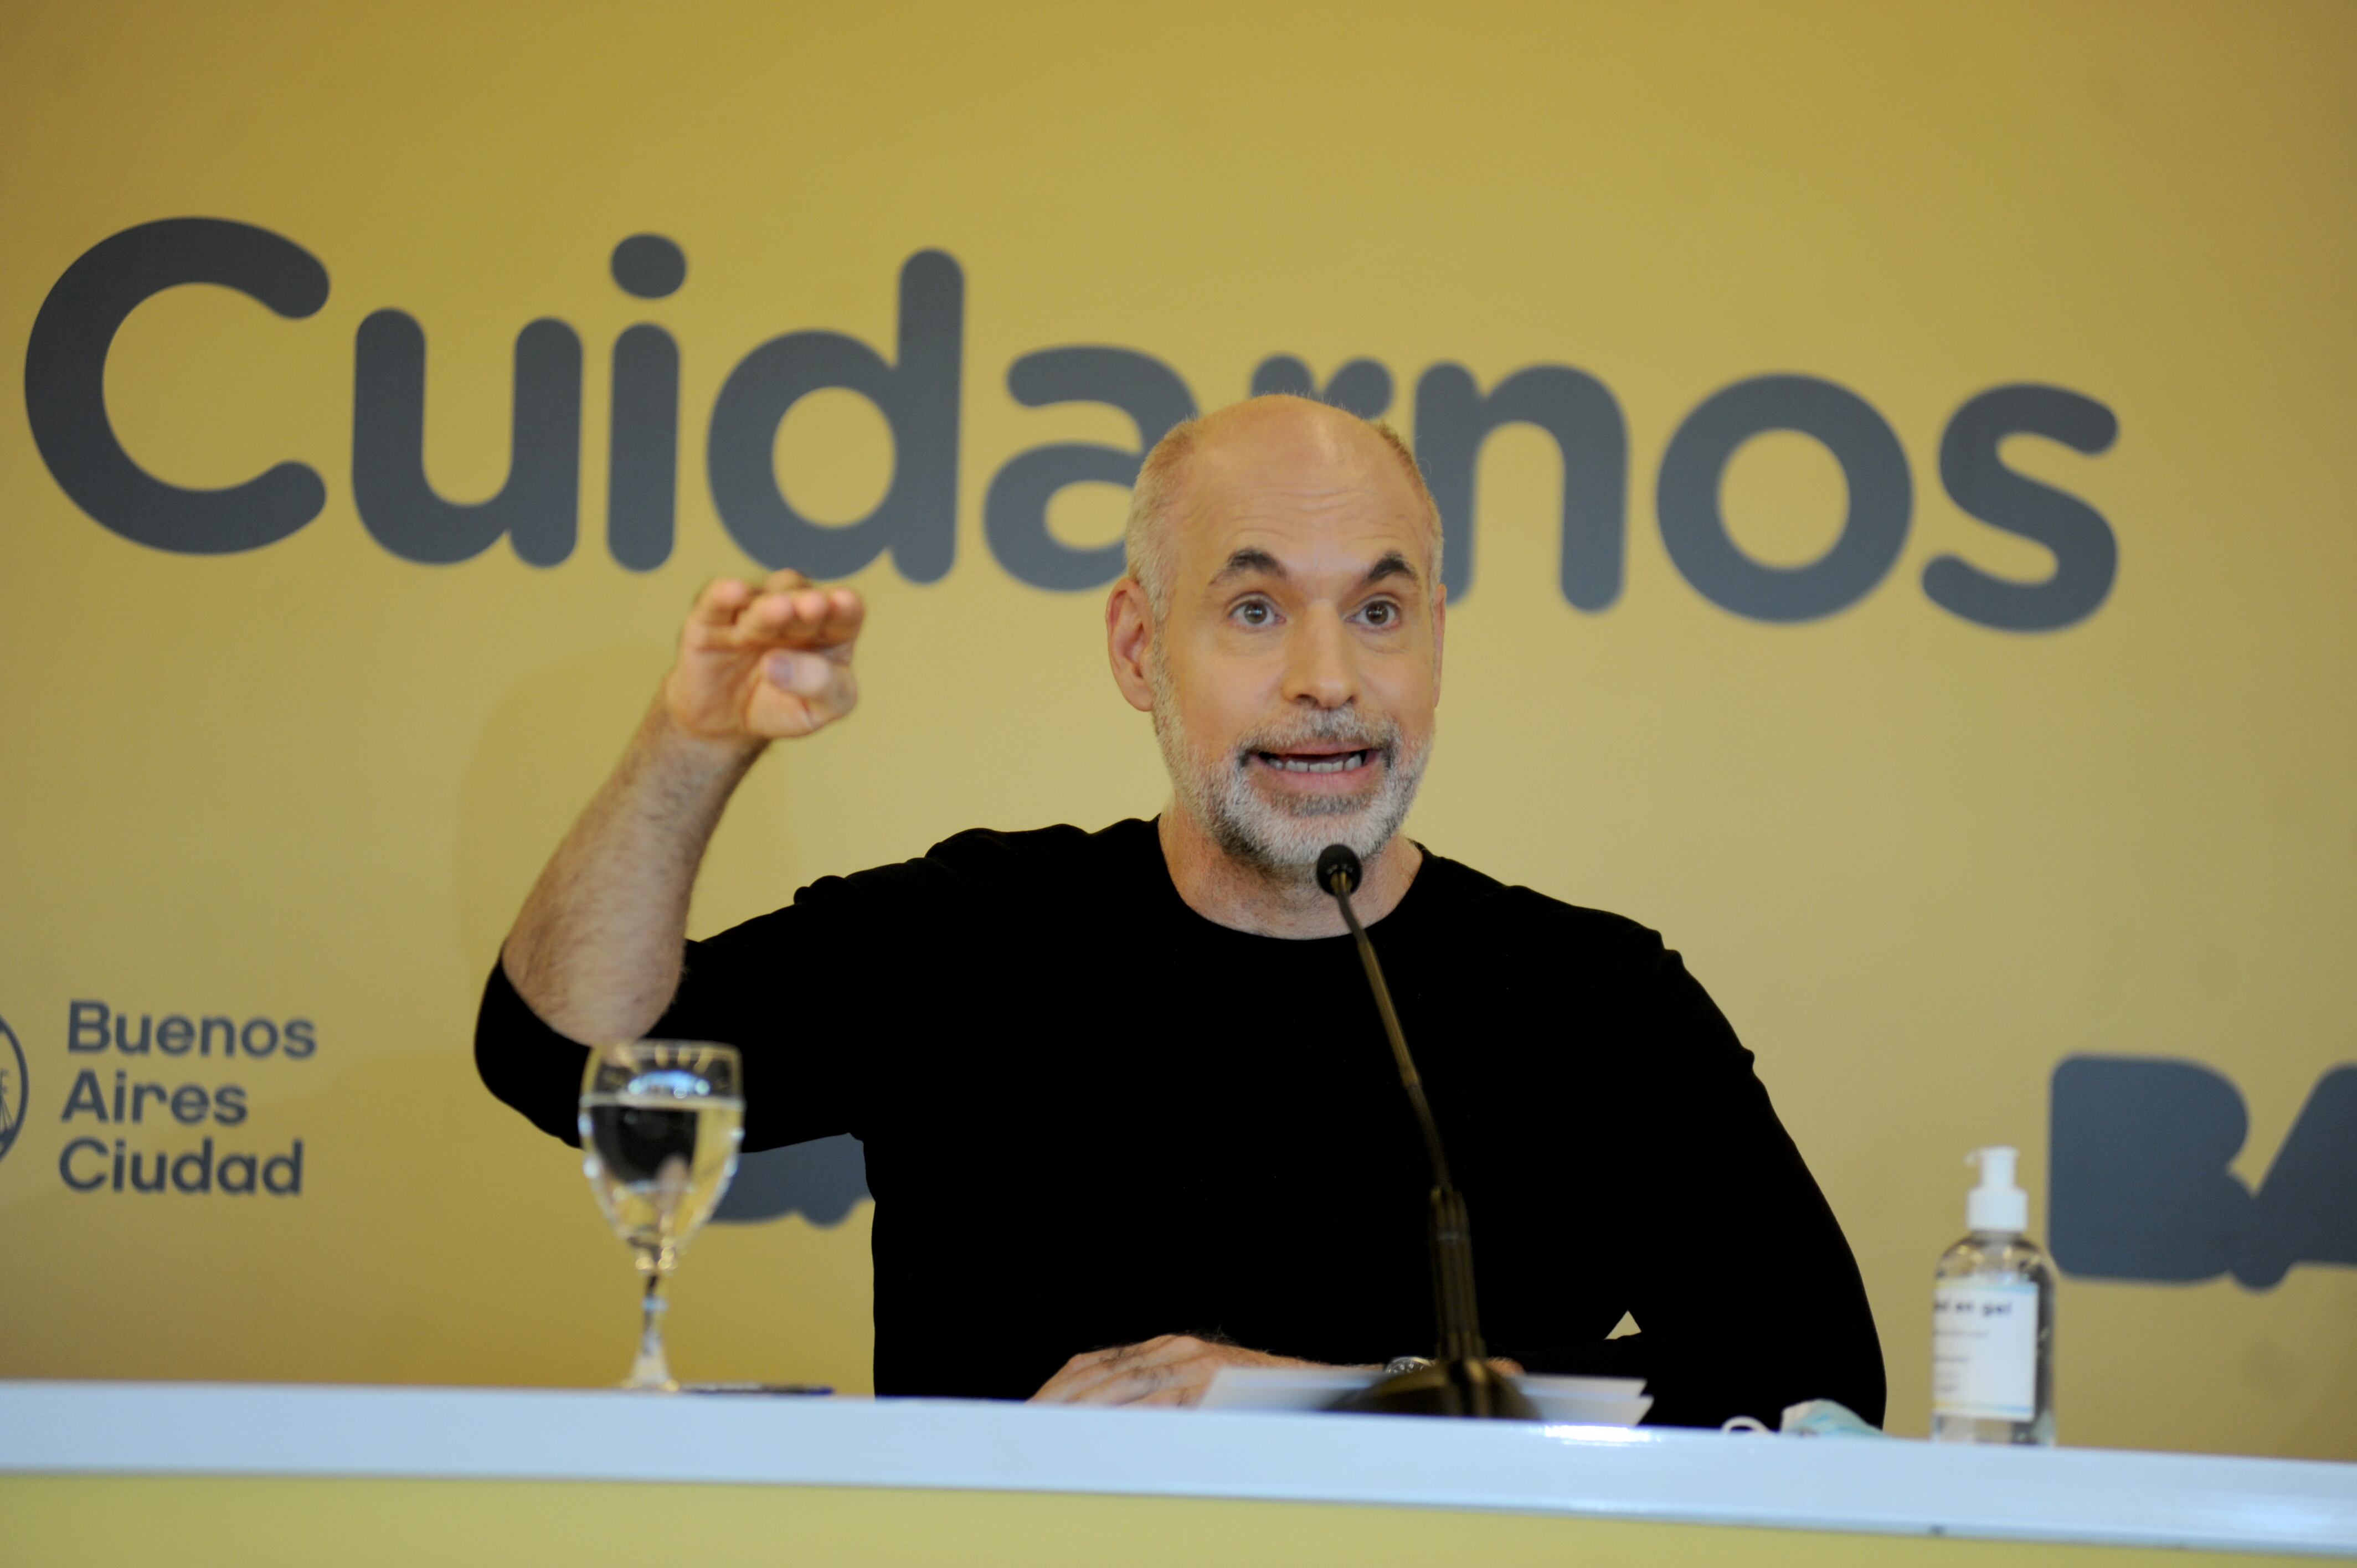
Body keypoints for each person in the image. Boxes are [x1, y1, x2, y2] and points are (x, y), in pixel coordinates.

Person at [477, 395, 1885, 1425]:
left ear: (1437, 641)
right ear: (1140, 648)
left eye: (1380, 614)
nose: (1329, 678)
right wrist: (695, 743)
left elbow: (1817, 1382)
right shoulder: (976, 936)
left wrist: (1351, 1408)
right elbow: (567, 1060)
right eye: (1258, 611)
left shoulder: (1592, 999)